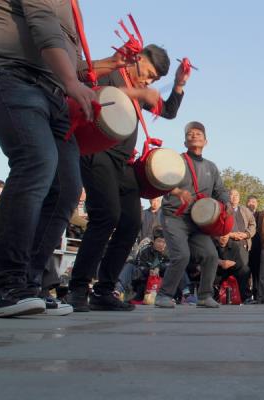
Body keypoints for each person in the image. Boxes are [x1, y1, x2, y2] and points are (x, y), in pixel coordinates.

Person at [68, 44, 191, 312]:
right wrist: (137, 93)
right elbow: (91, 92)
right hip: (97, 151)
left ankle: (104, 291)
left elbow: (168, 111)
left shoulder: (140, 90)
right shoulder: (112, 72)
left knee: (131, 223)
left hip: (124, 163)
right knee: (106, 216)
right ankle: (77, 288)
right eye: (149, 74)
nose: (148, 82)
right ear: (138, 59)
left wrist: (179, 84)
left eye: (154, 80)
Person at [0, 0, 98, 317]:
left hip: (54, 93)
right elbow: (42, 24)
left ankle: (29, 284)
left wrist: (106, 66)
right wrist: (71, 82)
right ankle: (4, 282)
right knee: (36, 162)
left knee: (67, 188)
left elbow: (68, 56)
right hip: (14, 76)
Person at [154, 121, 228, 309]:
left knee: (210, 255)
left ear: (206, 141)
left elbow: (220, 191)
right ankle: (163, 295)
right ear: (185, 142)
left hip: (198, 222)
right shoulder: (176, 161)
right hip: (174, 216)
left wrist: (226, 206)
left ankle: (204, 296)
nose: (194, 135)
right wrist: (178, 191)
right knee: (181, 255)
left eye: (198, 133)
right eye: (190, 134)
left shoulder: (211, 167)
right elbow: (161, 181)